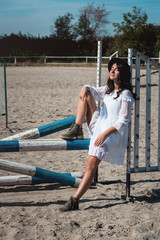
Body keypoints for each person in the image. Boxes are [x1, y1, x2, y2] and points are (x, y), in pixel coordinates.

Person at [59, 58, 134, 211]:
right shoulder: (108, 90)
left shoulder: (125, 94)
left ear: (123, 73)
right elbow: (91, 90)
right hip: (99, 125)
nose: (112, 71)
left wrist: (104, 135)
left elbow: (123, 121)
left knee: (90, 166)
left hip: (112, 134)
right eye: (111, 68)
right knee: (86, 92)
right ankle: (78, 127)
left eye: (116, 69)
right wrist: (85, 87)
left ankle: (75, 200)